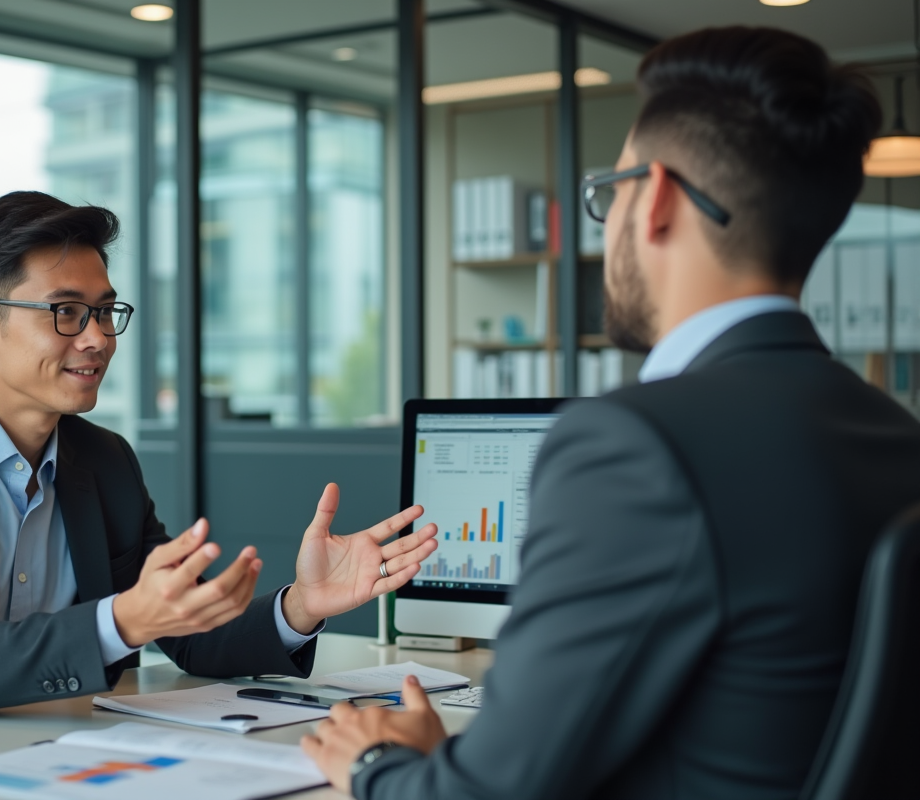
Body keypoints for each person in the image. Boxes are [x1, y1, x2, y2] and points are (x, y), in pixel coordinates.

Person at [303, 26, 920, 800]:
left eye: (612, 190)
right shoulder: (898, 436)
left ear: (655, 197)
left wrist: (374, 764)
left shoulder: (638, 444)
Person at [0, 191, 438, 723]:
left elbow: (185, 632)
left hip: (43, 749)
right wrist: (122, 619)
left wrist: (301, 604)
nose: (98, 338)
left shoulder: (103, 461)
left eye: (105, 311)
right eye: (67, 313)